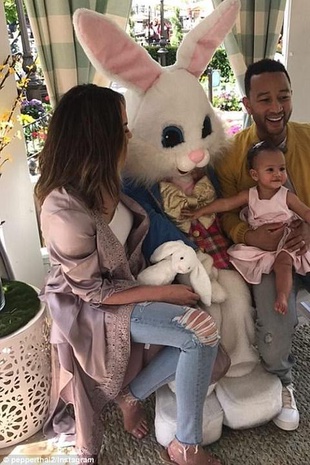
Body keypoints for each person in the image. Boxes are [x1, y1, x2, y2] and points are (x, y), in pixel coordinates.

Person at [34, 83, 222, 465]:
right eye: (122, 127)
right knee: (200, 333)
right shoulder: (63, 213)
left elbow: (151, 220)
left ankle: (131, 396)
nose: (129, 135)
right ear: (97, 139)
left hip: (125, 287)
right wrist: (164, 294)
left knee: (210, 343)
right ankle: (185, 446)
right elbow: (92, 293)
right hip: (93, 307)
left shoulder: (110, 182)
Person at [215, 58, 310, 432]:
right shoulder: (231, 155)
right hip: (268, 258)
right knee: (272, 340)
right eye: (265, 99)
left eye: (283, 97)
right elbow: (225, 213)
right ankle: (282, 380)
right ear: (247, 104)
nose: (276, 108)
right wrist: (247, 234)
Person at [182, 141, 310, 314]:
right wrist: (200, 211)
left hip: (286, 240)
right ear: (254, 174)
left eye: (282, 169)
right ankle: (245, 304)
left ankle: (282, 296)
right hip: (259, 243)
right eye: (270, 170)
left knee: (283, 263)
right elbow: (226, 204)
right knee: (235, 262)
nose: (278, 174)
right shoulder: (250, 195)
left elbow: (306, 212)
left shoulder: (286, 196)